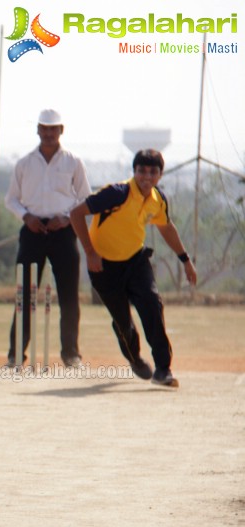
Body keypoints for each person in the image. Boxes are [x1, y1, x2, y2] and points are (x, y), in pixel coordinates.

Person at [68, 149, 197, 387]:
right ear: (134, 171)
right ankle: (135, 358)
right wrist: (90, 253)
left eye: (152, 172)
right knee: (123, 323)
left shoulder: (158, 199)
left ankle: (162, 369)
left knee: (152, 305)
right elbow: (76, 214)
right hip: (104, 266)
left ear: (160, 174)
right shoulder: (117, 193)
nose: (147, 177)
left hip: (135, 261)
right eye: (142, 171)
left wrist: (185, 259)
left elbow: (166, 227)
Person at [4, 108, 91, 368]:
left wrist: (65, 217)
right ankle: (16, 355)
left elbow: (86, 197)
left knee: (68, 296)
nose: (49, 133)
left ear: (61, 131)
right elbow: (11, 199)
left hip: (63, 231)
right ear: (38, 130)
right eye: (44, 128)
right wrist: (26, 217)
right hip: (32, 231)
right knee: (25, 295)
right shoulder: (25, 163)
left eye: (53, 129)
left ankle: (71, 355)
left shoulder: (73, 161)